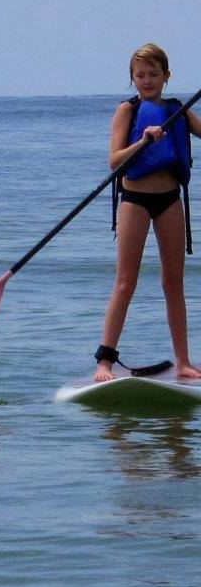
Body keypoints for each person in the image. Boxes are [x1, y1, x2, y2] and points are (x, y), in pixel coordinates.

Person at [94, 43, 201, 382]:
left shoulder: (177, 110)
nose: (146, 80)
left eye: (153, 74)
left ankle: (183, 362)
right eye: (140, 75)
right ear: (132, 79)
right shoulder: (127, 111)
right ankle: (105, 363)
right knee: (126, 281)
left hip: (170, 199)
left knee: (174, 284)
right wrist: (144, 140)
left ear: (166, 76)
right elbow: (114, 161)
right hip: (134, 202)